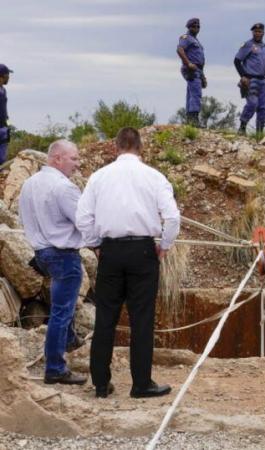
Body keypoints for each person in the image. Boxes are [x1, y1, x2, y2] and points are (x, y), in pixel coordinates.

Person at [76, 127, 180, 399]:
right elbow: (172, 218)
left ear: (116, 147)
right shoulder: (154, 177)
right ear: (140, 147)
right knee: (142, 320)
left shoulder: (99, 177)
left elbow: (83, 217)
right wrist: (164, 246)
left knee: (105, 319)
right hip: (143, 253)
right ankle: (141, 384)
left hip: (110, 252)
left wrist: (96, 245)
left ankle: (100, 383)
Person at [18, 140, 87, 386]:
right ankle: (55, 368)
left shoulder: (29, 184)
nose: (77, 165)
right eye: (74, 159)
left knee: (61, 304)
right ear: (57, 158)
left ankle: (69, 340)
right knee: (62, 310)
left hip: (41, 253)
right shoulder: (63, 187)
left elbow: (22, 218)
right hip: (63, 255)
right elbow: (85, 221)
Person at [235, 23, 265, 136]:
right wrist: (243, 76)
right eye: (255, 31)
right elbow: (237, 61)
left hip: (263, 81)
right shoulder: (248, 45)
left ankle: (259, 133)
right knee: (252, 103)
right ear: (252, 33)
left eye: (260, 31)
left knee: (264, 107)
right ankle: (242, 127)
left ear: (263, 33)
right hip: (250, 79)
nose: (257, 33)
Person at [177, 18, 207, 127]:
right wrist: (188, 63)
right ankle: (194, 120)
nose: (196, 28)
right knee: (196, 93)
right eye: (194, 26)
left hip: (198, 69)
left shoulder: (196, 40)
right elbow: (180, 50)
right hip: (191, 68)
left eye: (198, 26)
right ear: (189, 27)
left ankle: (190, 119)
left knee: (191, 93)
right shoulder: (186, 38)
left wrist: (203, 76)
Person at [0, 64, 12, 164]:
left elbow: (4, 110)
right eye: (7, 75)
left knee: (2, 159)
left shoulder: (3, 90)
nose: (9, 78)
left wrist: (8, 124)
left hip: (3, 128)